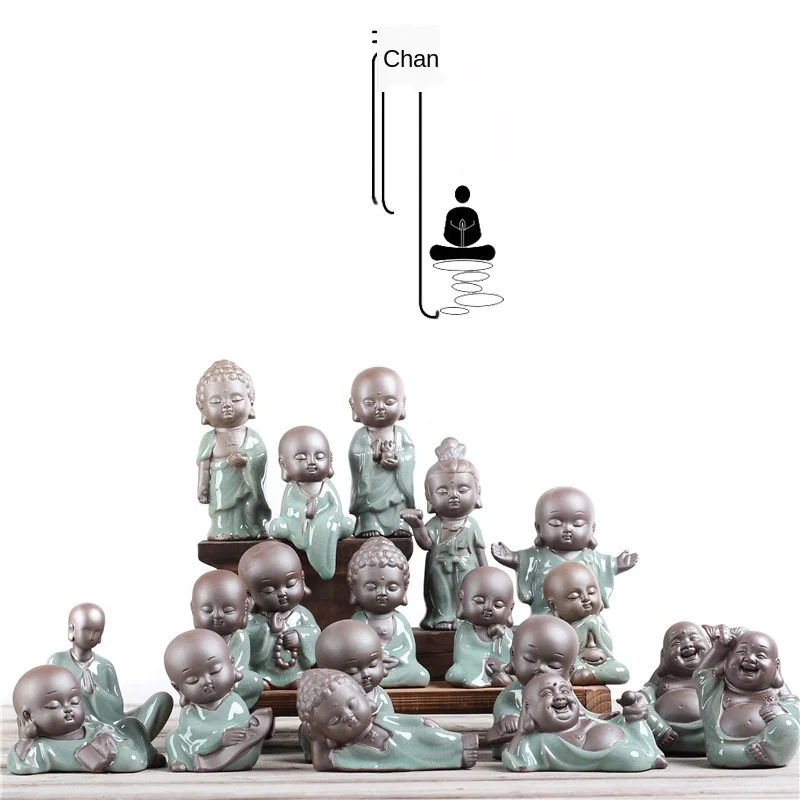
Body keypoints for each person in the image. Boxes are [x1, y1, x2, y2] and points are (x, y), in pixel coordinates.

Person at [492, 486, 638, 615]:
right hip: (545, 615)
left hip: (584, 616)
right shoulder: (535, 556)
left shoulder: (592, 558)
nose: (567, 529)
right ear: (539, 528)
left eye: (577, 524)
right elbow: (523, 560)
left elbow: (605, 565)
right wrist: (513, 559)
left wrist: (615, 564)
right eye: (556, 523)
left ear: (592, 528)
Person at [297, 669, 478, 772]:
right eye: (335, 720)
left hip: (400, 734)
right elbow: (322, 762)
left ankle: (462, 744)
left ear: (363, 695)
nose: (349, 716)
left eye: (352, 705)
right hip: (387, 754)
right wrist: (315, 739)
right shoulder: (347, 752)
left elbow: (403, 721)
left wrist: (420, 721)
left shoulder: (381, 717)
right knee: (419, 752)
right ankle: (458, 756)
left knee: (427, 736)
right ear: (321, 731)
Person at [48, 603, 173, 740]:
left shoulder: (105, 666)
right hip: (74, 724)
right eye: (87, 630)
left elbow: (117, 707)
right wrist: (78, 693)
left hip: (108, 725)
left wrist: (95, 692)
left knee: (161, 700)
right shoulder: (57, 661)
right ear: (72, 629)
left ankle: (131, 740)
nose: (91, 636)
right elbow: (47, 698)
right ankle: (128, 744)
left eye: (97, 631)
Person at [8, 665, 162, 774]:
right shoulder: (43, 748)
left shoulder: (88, 724)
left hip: (123, 741)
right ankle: (147, 755)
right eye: (54, 705)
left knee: (131, 724)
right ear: (27, 715)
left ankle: (149, 752)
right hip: (121, 757)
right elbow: (19, 765)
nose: (68, 708)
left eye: (75, 701)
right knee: (134, 759)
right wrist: (25, 740)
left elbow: (109, 728)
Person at [401, 437, 487, 630]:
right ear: (429, 497)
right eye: (443, 491)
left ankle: (468, 617)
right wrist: (417, 526)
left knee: (468, 593)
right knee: (442, 594)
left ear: (477, 493)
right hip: (439, 566)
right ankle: (441, 616)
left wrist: (486, 576)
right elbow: (426, 544)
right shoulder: (435, 524)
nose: (453, 495)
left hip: (467, 567)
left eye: (462, 489)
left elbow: (480, 553)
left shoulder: (471, 525)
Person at [502, 675, 666, 772]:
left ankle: (654, 753)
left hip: (629, 742)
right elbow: (516, 759)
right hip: (622, 756)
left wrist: (631, 715)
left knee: (635, 718)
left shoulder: (586, 719)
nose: (559, 697)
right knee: (633, 757)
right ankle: (649, 756)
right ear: (529, 708)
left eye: (564, 690)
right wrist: (521, 732)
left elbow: (611, 720)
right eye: (547, 693)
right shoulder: (540, 742)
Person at [164, 629, 273, 772]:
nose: (207, 681)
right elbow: (192, 736)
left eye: (215, 670)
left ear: (231, 663)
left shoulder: (235, 703)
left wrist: (227, 737)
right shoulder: (190, 712)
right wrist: (219, 738)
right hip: (203, 748)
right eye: (193, 680)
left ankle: (201, 762)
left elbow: (240, 729)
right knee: (173, 737)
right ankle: (178, 760)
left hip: (235, 754)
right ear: (178, 688)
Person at [693, 625, 799, 768]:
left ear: (776, 666)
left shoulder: (777, 690)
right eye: (742, 651)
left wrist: (781, 709)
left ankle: (771, 752)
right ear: (727, 660)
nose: (749, 659)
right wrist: (719, 649)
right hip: (727, 748)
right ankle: (752, 755)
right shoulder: (716, 689)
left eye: (760, 656)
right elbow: (701, 675)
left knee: (787, 724)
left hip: (771, 743)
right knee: (722, 753)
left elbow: (796, 706)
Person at [196, 360, 270, 540]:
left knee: (250, 504)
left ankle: (254, 527)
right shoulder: (210, 438)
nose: (227, 405)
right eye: (216, 401)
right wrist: (202, 487)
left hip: (245, 484)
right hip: (221, 484)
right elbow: (204, 466)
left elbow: (260, 456)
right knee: (222, 509)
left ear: (250, 403)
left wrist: (247, 460)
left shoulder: (252, 436)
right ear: (203, 409)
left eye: (236, 399)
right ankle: (221, 529)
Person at [487, 615, 581, 755]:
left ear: (569, 671)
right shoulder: (512, 694)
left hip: (555, 735)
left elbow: (581, 716)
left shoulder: (563, 693)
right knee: (514, 745)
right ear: (513, 655)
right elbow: (504, 710)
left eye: (553, 665)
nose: (540, 668)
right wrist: (508, 718)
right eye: (530, 659)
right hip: (522, 738)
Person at [269, 426, 354, 579]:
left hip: (327, 523)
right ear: (283, 464)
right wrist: (304, 511)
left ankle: (324, 564)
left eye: (319, 457)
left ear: (330, 459)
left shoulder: (326, 486)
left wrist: (321, 515)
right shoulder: (292, 489)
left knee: (347, 524)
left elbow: (335, 508)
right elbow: (289, 511)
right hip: (298, 526)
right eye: (301, 458)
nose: (311, 462)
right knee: (277, 527)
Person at [347, 539, 429, 687]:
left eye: (391, 588)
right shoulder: (358, 621)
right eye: (371, 587)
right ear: (353, 589)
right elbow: (354, 650)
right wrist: (374, 660)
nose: (382, 593)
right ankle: (375, 678)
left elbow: (408, 651)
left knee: (420, 675)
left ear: (404, 589)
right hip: (367, 668)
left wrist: (395, 658)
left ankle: (379, 680)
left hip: (396, 665)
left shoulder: (400, 621)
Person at [239, 541, 320, 688]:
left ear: (302, 579)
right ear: (249, 594)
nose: (282, 593)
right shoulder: (251, 619)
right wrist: (267, 630)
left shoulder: (302, 614)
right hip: (263, 672)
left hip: (297, 672)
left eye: (290, 584)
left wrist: (299, 637)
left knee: (307, 682)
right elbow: (245, 645)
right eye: (269, 590)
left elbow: (315, 633)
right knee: (257, 683)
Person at [348, 367, 415, 538]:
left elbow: (410, 454)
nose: (380, 408)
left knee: (398, 503)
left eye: (389, 402)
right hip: (371, 489)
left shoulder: (400, 434)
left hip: (395, 487)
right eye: (369, 403)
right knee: (369, 507)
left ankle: (400, 523)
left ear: (403, 403)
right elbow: (355, 455)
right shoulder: (362, 435)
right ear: (354, 406)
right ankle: (369, 524)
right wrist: (369, 454)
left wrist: (398, 460)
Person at [543, 562, 630, 684]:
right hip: (571, 663)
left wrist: (593, 625)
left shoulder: (598, 620)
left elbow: (608, 648)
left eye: (591, 592)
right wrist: (586, 625)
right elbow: (560, 652)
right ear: (553, 606)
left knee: (622, 671)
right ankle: (579, 673)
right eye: (574, 596)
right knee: (565, 666)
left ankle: (591, 675)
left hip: (600, 663)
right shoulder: (555, 628)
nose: (586, 598)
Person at [190, 570, 266, 708]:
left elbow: (239, 668)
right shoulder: (197, 641)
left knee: (254, 680)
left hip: (232, 680)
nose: (217, 615)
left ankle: (229, 706)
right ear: (193, 610)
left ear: (245, 610)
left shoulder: (239, 637)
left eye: (228, 610)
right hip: (205, 682)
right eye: (208, 610)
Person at [639, 620, 710, 754]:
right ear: (664, 656)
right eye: (676, 643)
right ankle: (657, 728)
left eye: (693, 638)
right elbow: (644, 697)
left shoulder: (714, 676)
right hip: (664, 733)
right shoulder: (663, 680)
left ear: (709, 644)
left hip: (706, 731)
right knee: (637, 705)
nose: (687, 645)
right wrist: (639, 698)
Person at [445, 566, 514, 689]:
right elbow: (462, 654)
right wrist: (485, 660)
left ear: (511, 608)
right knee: (455, 673)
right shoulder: (465, 630)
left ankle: (501, 676)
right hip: (473, 668)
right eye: (479, 601)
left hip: (500, 667)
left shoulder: (506, 633)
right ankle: (490, 678)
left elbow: (513, 655)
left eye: (498, 605)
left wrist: (502, 636)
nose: (488, 608)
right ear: (462, 600)